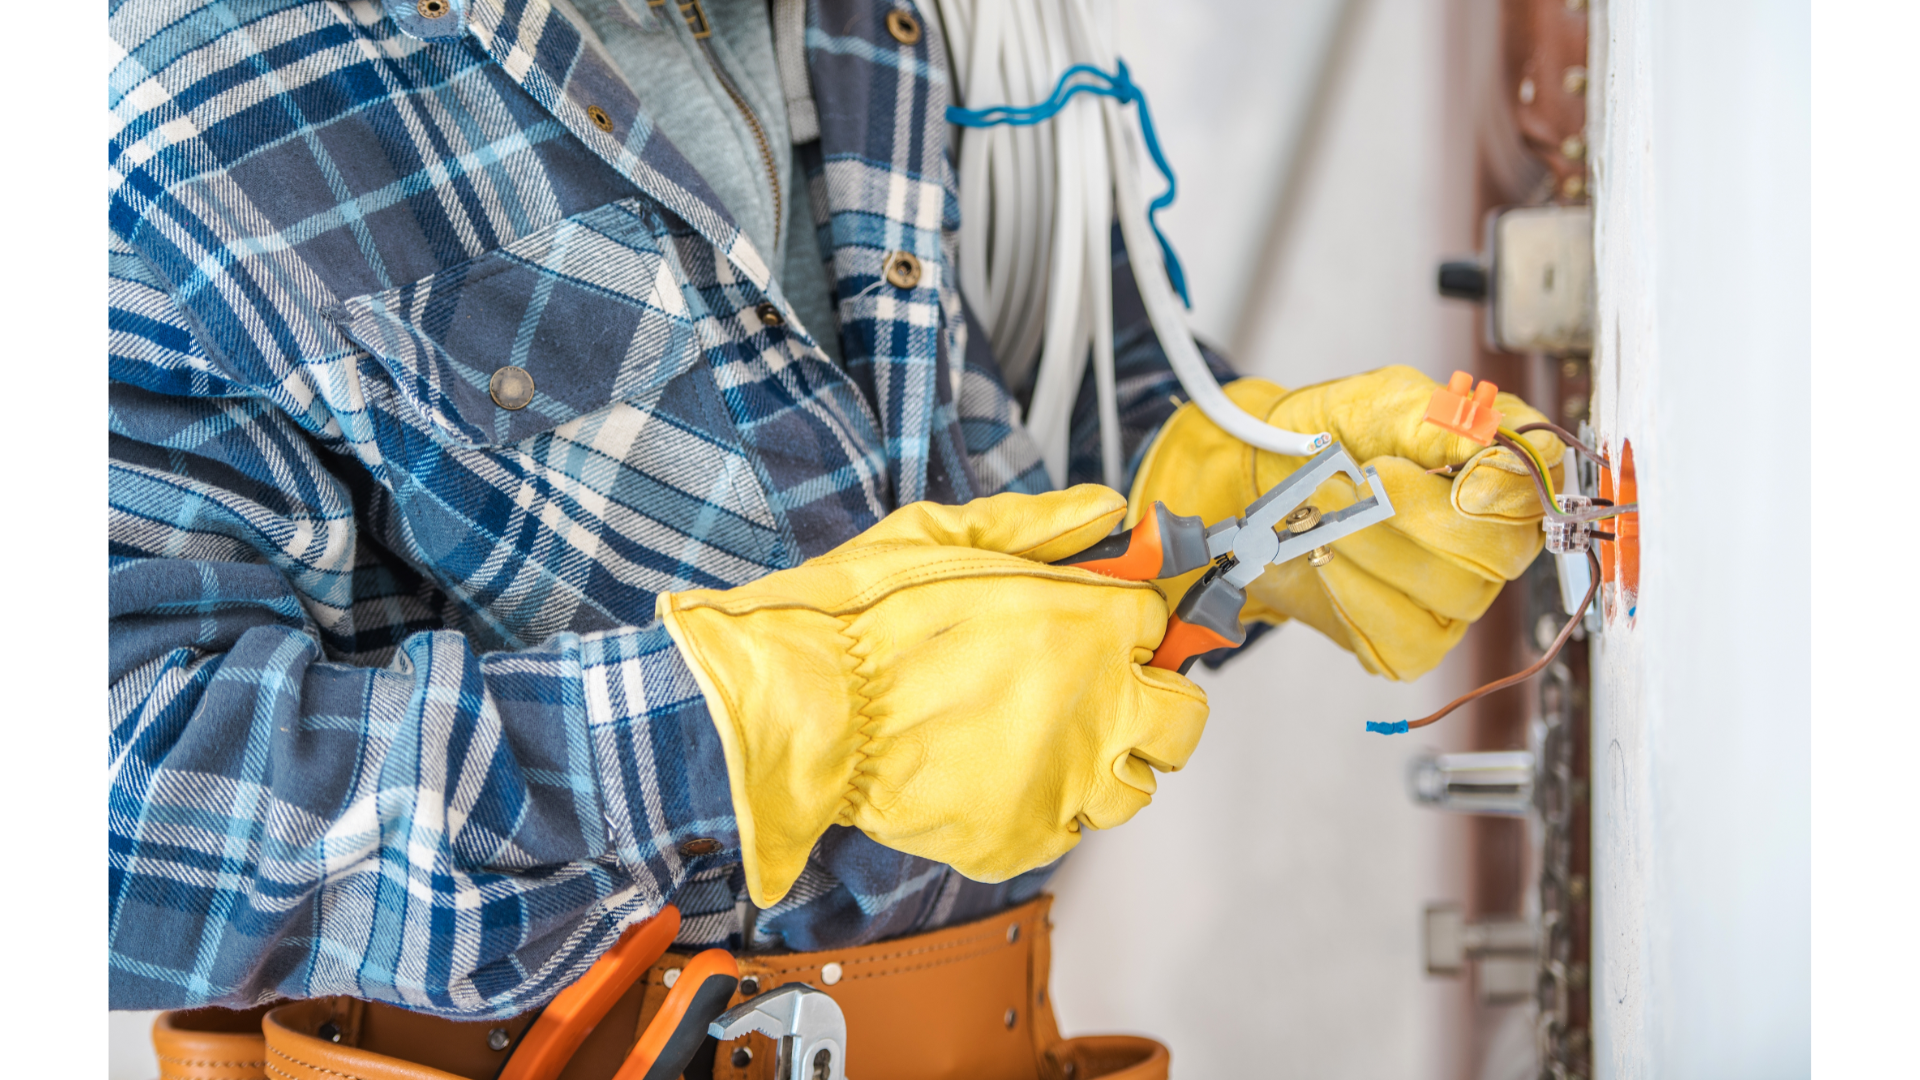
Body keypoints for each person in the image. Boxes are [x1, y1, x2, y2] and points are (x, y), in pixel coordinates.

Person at [108, 1, 1564, 1076]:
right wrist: (770, 727)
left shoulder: (930, 25)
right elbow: (109, 816)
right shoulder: (162, 81)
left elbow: (1044, 406)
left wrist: (1240, 500)